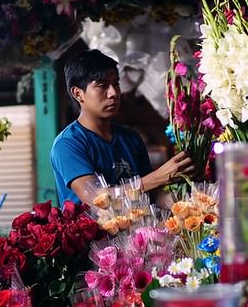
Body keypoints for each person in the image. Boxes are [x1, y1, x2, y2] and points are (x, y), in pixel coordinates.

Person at [51, 49, 193, 205]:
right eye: (102, 85)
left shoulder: (131, 138)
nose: (113, 93)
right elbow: (97, 199)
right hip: (93, 230)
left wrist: (185, 204)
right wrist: (158, 177)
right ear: (78, 94)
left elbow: (152, 195)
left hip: (139, 228)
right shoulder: (68, 144)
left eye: (115, 84)